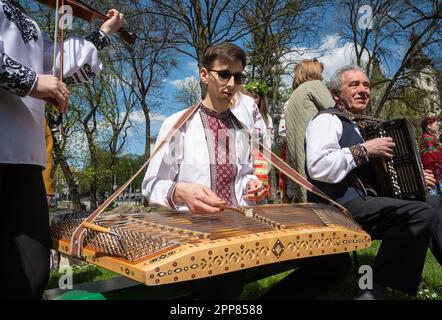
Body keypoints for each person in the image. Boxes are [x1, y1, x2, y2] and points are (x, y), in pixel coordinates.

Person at [142, 42, 350, 300]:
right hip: (197, 236)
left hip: (242, 227)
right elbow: (151, 185)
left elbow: (245, 175)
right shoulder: (178, 123)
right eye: (224, 74)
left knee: (334, 263)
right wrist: (179, 191)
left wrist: (253, 185)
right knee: (222, 286)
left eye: (238, 77)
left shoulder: (242, 128)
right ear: (204, 75)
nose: (231, 84)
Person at [0, 0, 124, 299]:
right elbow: (34, 75)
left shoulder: (27, 20)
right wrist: (31, 81)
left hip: (25, 158)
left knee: (28, 272)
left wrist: (104, 31)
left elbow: (55, 64)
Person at [305, 64, 441, 299]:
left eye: (366, 85)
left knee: (434, 203)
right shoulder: (327, 120)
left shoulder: (361, 127)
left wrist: (419, 180)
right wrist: (364, 150)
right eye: (354, 85)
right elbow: (317, 167)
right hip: (338, 206)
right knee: (419, 212)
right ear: (336, 93)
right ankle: (371, 288)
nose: (363, 90)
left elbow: (379, 178)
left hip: (366, 201)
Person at [284, 58, 335, 203]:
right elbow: (335, 111)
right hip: (316, 162)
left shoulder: (293, 97)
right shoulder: (314, 85)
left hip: (300, 166)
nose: (322, 76)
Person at [245, 81, 273, 202]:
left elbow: (269, 142)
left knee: (260, 197)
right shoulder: (242, 115)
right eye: (249, 97)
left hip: (261, 159)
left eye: (255, 97)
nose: (253, 101)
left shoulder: (267, 118)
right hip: (246, 159)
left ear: (261, 99)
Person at [420, 116, 442, 195]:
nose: (438, 126)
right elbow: (435, 158)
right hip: (434, 178)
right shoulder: (427, 139)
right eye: (436, 124)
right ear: (428, 126)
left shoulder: (432, 139)